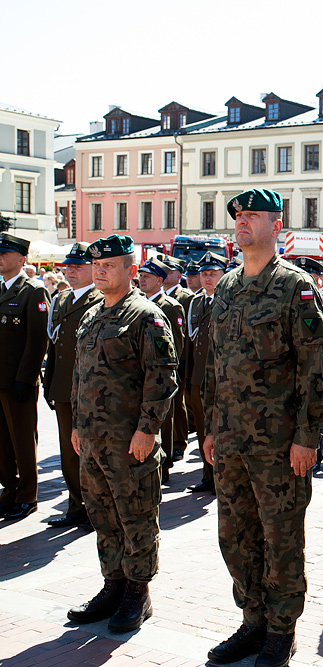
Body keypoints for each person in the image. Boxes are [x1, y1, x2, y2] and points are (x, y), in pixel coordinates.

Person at [199, 189, 323, 667]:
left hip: (278, 445)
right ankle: (252, 620)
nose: (241, 221)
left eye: (252, 215)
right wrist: (211, 429)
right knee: (234, 536)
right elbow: (215, 366)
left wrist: (306, 437)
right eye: (237, 215)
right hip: (231, 441)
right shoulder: (227, 289)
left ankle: (281, 628)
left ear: (276, 224)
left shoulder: (294, 287)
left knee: (281, 539)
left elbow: (315, 368)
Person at [67, 233, 178, 633]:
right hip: (94, 441)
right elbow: (80, 375)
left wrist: (147, 431)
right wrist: (78, 426)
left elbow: (162, 377)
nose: (99, 270)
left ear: (130, 270)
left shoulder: (146, 315)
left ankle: (138, 593)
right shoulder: (92, 314)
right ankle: (112, 585)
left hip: (130, 442)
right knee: (103, 517)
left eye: (109, 264)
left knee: (136, 518)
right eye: (96, 264)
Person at [43, 243, 104, 528]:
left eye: (78, 266)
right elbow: (56, 346)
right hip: (65, 387)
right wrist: (49, 382)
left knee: (90, 452)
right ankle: (76, 505)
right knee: (68, 452)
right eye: (69, 266)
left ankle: (96, 508)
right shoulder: (62, 298)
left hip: (90, 391)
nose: (71, 271)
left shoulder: (101, 299)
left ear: (93, 268)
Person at [0, 233, 51, 521]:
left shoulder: (33, 292)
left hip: (18, 381)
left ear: (21, 259)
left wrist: (26, 378)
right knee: (2, 444)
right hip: (0, 379)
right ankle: (9, 489)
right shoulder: (0, 289)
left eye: (5, 253)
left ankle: (27, 495)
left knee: (22, 441)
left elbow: (37, 341)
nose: (0, 258)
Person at [137, 257, 186, 482]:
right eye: (140, 276)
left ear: (160, 280)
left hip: (161, 374)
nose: (141, 280)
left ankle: (163, 463)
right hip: (142, 373)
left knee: (164, 421)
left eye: (147, 277)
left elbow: (176, 345)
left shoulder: (170, 306)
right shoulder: (138, 304)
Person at [292, 256, 323, 473]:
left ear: (319, 277)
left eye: (311, 275)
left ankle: (317, 452)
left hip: (320, 367)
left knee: (320, 410)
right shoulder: (294, 298)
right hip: (298, 368)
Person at [184, 252, 226, 494]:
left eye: (212, 274)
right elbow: (192, 343)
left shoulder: (227, 301)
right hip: (198, 377)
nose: (207, 278)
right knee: (202, 429)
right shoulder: (196, 303)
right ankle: (207, 474)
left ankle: (221, 475)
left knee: (218, 429)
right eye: (204, 274)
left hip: (219, 378)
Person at [162, 256, 195, 463]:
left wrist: (183, 361)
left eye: (170, 271)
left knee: (178, 402)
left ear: (178, 275)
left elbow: (186, 334)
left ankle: (179, 441)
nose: (165, 274)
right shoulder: (156, 296)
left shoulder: (186, 297)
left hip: (180, 358)